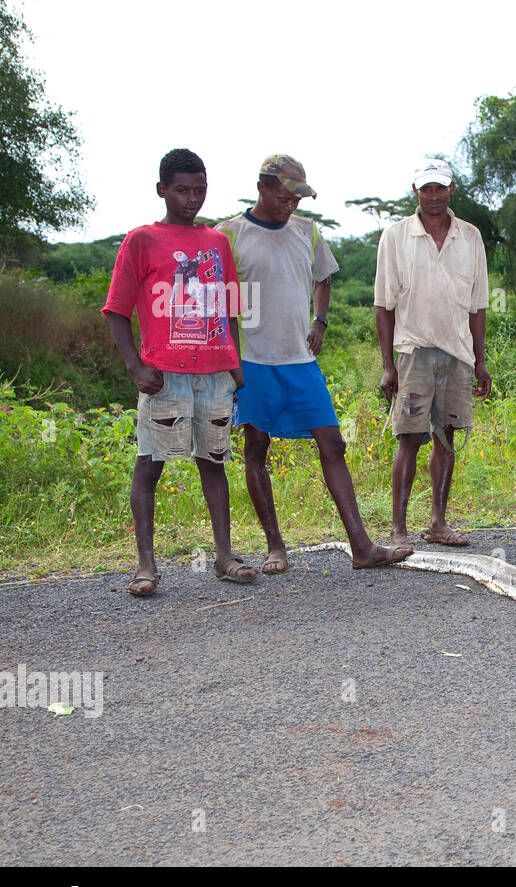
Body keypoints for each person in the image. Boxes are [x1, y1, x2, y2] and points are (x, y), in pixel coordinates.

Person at [218, 155, 413, 573]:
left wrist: (319, 320)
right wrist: (230, 362)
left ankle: (362, 547)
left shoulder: (307, 232)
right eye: (285, 196)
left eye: (298, 197)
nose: (292, 204)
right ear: (262, 187)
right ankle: (275, 546)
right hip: (253, 360)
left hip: (299, 360)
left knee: (333, 443)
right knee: (256, 448)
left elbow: (323, 277)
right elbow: (221, 304)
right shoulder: (230, 235)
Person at [102, 148, 258, 596]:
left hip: (214, 372)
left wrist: (235, 363)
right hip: (163, 374)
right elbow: (116, 310)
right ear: (162, 190)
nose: (192, 199)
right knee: (150, 464)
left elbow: (229, 307)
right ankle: (146, 566)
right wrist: (136, 367)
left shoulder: (216, 242)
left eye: (200, 190)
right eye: (182, 190)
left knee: (213, 462)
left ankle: (225, 557)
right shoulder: (142, 240)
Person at [374, 160, 490, 548]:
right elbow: (383, 304)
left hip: (458, 354)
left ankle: (438, 523)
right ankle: (399, 529)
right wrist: (388, 365)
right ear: (416, 191)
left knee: (447, 438)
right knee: (408, 438)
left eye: (440, 189)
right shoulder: (395, 237)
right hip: (413, 352)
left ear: (451, 189)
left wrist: (480, 360)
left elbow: (478, 306)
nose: (434, 196)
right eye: (427, 189)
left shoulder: (470, 237)